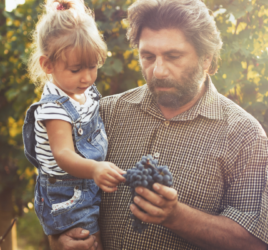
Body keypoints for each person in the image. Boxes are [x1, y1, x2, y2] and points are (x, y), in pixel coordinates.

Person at [49, 0, 268, 249]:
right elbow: (58, 184)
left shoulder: (245, 135)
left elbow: (256, 241)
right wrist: (58, 238)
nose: (158, 71)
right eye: (148, 57)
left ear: (206, 58)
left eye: (173, 56)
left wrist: (176, 216)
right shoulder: (105, 112)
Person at [23, 0, 126, 249]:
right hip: (67, 194)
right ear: (48, 65)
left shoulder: (85, 91)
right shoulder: (54, 108)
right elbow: (63, 154)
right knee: (90, 242)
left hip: (86, 183)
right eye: (77, 69)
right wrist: (94, 169)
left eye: (93, 67)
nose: (87, 77)